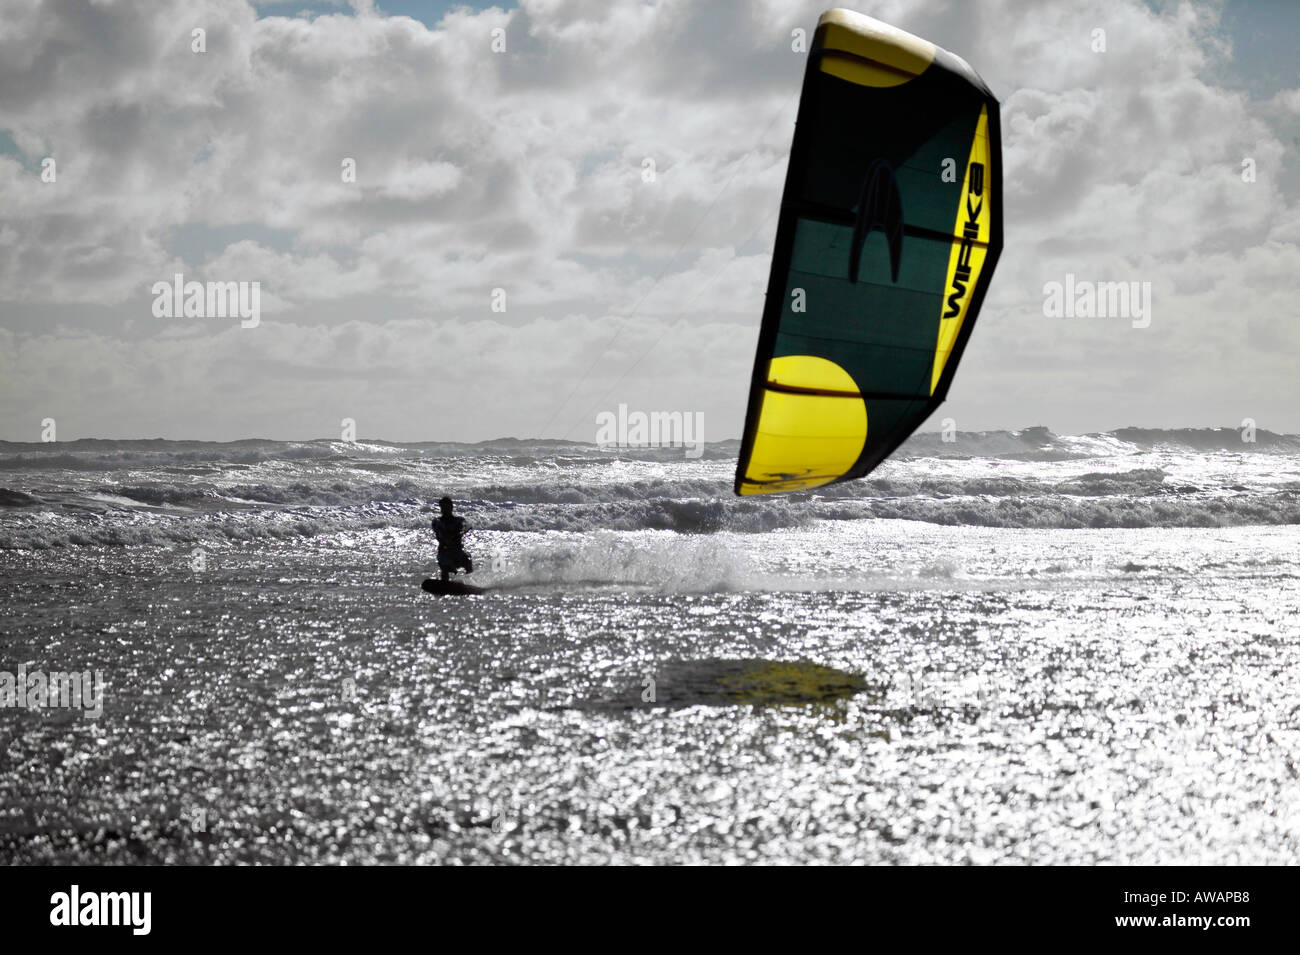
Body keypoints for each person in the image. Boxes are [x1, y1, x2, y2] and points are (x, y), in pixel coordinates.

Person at [431, 496, 472, 582]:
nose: (445, 509)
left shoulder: (459, 520)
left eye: (447, 507)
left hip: (458, 552)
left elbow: (467, 525)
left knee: (468, 560)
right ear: (441, 508)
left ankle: (470, 583)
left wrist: (461, 531)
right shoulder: (437, 521)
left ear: (452, 507)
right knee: (445, 567)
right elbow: (437, 529)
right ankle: (444, 584)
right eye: (443, 507)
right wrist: (445, 537)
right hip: (444, 552)